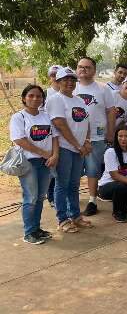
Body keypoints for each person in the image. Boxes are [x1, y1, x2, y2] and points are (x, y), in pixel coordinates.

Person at [45, 67, 93, 233]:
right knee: (62, 184)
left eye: (72, 79)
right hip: (65, 148)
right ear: (58, 82)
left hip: (79, 149)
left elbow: (86, 122)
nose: (69, 82)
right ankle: (62, 219)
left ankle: (75, 215)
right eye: (65, 79)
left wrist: (86, 141)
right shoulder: (56, 99)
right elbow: (60, 124)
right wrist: (77, 145)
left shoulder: (79, 100)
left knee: (74, 184)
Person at [10, 85, 59, 244]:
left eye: (38, 96)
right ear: (24, 98)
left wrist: (55, 155)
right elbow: (20, 140)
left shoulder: (46, 116)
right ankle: (29, 232)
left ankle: (36, 229)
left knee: (39, 197)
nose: (35, 99)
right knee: (30, 197)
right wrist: (45, 154)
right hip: (28, 162)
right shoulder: (19, 117)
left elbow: (54, 137)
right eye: (31, 96)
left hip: (46, 162)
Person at [73, 56, 115, 217]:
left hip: (97, 136)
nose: (83, 70)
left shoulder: (103, 89)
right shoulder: (72, 88)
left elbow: (111, 111)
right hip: (75, 138)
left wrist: (110, 132)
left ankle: (92, 201)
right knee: (74, 170)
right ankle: (73, 199)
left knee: (92, 169)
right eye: (80, 67)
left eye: (87, 67)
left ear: (94, 70)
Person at [44, 65, 61, 207]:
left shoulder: (68, 93)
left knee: (62, 169)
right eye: (52, 75)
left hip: (66, 137)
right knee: (52, 170)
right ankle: (51, 197)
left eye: (57, 74)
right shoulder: (45, 93)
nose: (55, 77)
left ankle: (60, 195)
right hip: (50, 137)